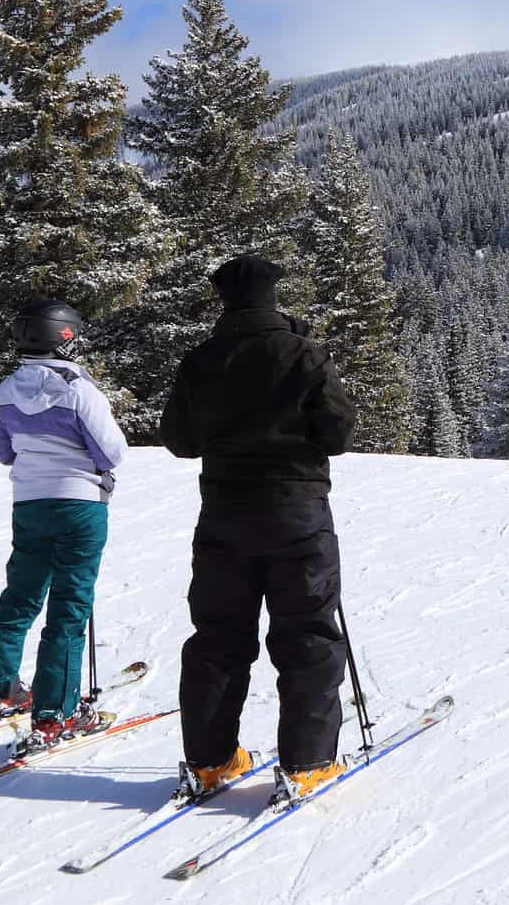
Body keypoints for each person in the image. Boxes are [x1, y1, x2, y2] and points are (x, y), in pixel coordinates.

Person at [161, 254, 358, 803]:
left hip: (223, 514)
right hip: (297, 511)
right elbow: (338, 434)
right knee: (307, 635)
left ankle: (210, 761)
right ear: (275, 296)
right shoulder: (304, 354)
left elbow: (179, 440)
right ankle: (307, 762)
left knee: (217, 638)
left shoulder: (200, 360)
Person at [0, 297, 129, 751]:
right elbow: (113, 451)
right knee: (69, 606)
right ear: (65, 337)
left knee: (19, 596)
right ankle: (57, 712)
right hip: (80, 505)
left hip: (30, 503)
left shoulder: (6, 389)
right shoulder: (78, 389)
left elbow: (2, 451)